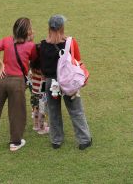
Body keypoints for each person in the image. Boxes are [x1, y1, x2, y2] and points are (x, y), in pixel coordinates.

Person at [0, 17, 37, 152]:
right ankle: (15, 142)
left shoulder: (6, 40)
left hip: (2, 80)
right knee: (17, 113)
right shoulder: (30, 46)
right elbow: (33, 61)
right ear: (27, 32)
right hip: (17, 83)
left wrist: (2, 64)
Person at [35, 15, 92, 150]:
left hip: (50, 83)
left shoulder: (42, 45)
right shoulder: (70, 42)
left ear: (49, 28)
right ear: (62, 28)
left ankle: (56, 140)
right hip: (68, 82)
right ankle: (84, 140)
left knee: (53, 112)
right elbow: (77, 60)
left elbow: (41, 68)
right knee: (76, 110)